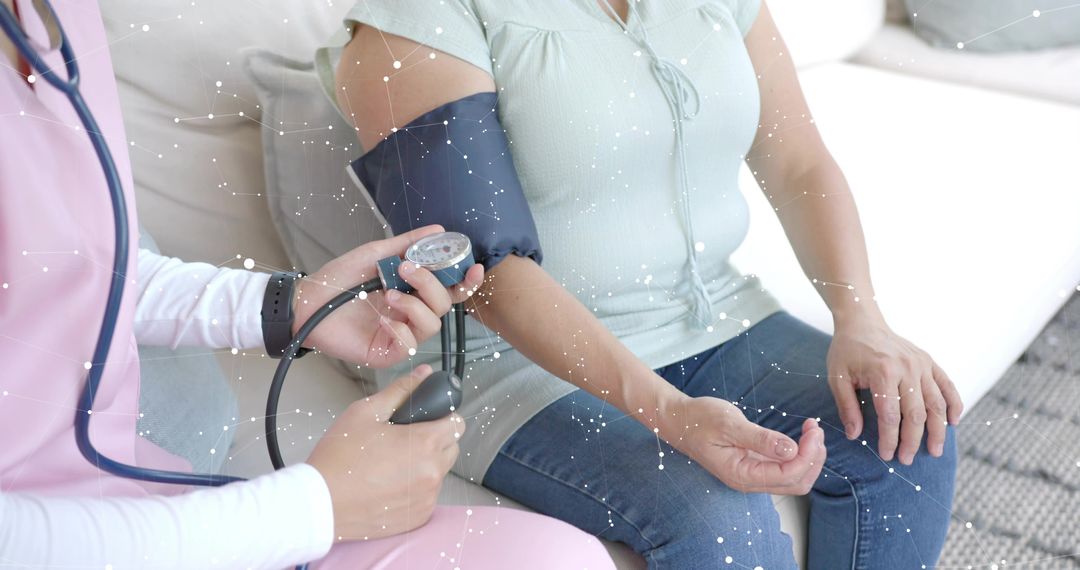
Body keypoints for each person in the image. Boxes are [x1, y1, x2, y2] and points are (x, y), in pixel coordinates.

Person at [322, 0, 964, 568]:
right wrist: (672, 414)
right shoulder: (416, 18)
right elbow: (482, 271)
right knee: (719, 519)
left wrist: (861, 318)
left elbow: (797, 158)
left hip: (711, 313)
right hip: (514, 365)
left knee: (904, 429)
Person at [0, 0, 615, 568]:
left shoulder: (59, 16)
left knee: (559, 558)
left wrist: (292, 304)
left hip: (149, 503)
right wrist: (311, 508)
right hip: (108, 540)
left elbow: (76, 266)